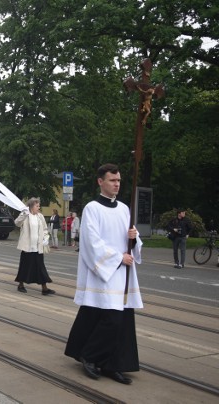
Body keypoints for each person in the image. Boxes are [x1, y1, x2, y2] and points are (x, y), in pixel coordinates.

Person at [64, 163, 142, 386]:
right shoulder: (92, 208)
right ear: (100, 182)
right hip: (105, 272)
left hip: (123, 273)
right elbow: (91, 242)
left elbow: (131, 241)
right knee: (111, 320)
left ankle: (112, 364)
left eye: (118, 180)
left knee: (121, 320)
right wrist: (118, 258)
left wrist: (134, 238)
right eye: (112, 180)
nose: (117, 184)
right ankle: (90, 356)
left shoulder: (125, 209)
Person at [14, 197, 54, 295]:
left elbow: (45, 229)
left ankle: (44, 288)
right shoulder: (25, 215)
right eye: (37, 206)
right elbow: (17, 223)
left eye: (38, 205)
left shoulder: (40, 216)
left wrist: (46, 238)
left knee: (41, 267)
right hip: (27, 247)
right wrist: (24, 213)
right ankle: (21, 285)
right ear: (31, 206)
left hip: (38, 247)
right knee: (24, 266)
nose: (39, 207)